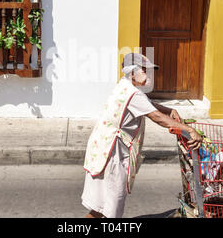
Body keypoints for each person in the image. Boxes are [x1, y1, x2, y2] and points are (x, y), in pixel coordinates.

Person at [81, 52, 202, 218]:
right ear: (132, 73)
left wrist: (170, 110)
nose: (149, 75)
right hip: (112, 155)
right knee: (109, 207)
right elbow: (156, 117)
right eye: (144, 71)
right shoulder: (133, 93)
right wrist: (189, 130)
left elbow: (150, 105)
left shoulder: (126, 86)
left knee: (102, 207)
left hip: (106, 150)